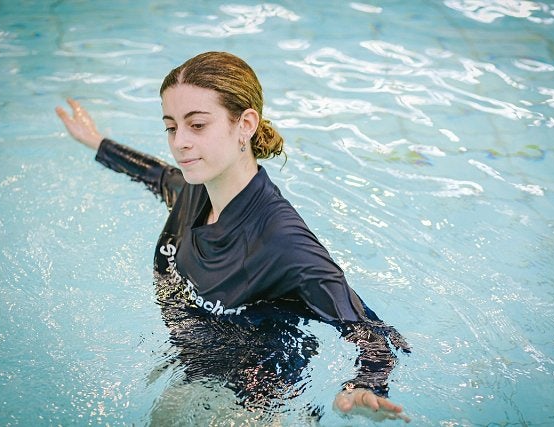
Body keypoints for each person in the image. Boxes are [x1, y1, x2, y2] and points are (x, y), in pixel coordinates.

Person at [55, 51, 411, 422]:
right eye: (171, 127)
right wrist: (97, 142)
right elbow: (157, 176)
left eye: (197, 125)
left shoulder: (281, 240)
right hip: (195, 367)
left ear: (245, 124)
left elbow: (370, 330)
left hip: (252, 399)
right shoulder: (196, 190)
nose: (179, 143)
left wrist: (366, 385)